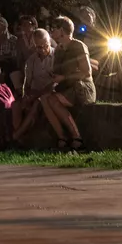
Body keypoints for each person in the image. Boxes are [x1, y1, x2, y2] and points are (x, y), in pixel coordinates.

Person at [37, 16, 94, 151]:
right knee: (44, 99)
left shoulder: (78, 46)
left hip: (82, 88)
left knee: (53, 99)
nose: (51, 31)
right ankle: (62, 136)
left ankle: (76, 137)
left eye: (54, 28)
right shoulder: (58, 50)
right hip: (66, 88)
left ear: (62, 30)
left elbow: (87, 72)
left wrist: (63, 77)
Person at [10, 22, 55, 142]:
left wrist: (37, 95)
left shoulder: (56, 57)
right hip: (34, 92)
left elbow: (55, 82)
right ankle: (21, 137)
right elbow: (27, 82)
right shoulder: (31, 60)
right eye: (38, 47)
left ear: (49, 42)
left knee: (36, 104)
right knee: (16, 105)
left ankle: (16, 135)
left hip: (48, 92)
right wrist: (26, 95)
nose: (42, 49)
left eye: (45, 45)